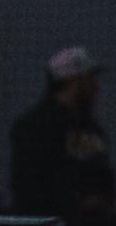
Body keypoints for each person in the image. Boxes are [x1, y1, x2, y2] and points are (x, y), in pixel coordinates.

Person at [9, 46, 109, 217]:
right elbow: (29, 184)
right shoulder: (34, 127)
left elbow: (103, 174)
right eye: (90, 79)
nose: (96, 87)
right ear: (72, 81)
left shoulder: (92, 130)